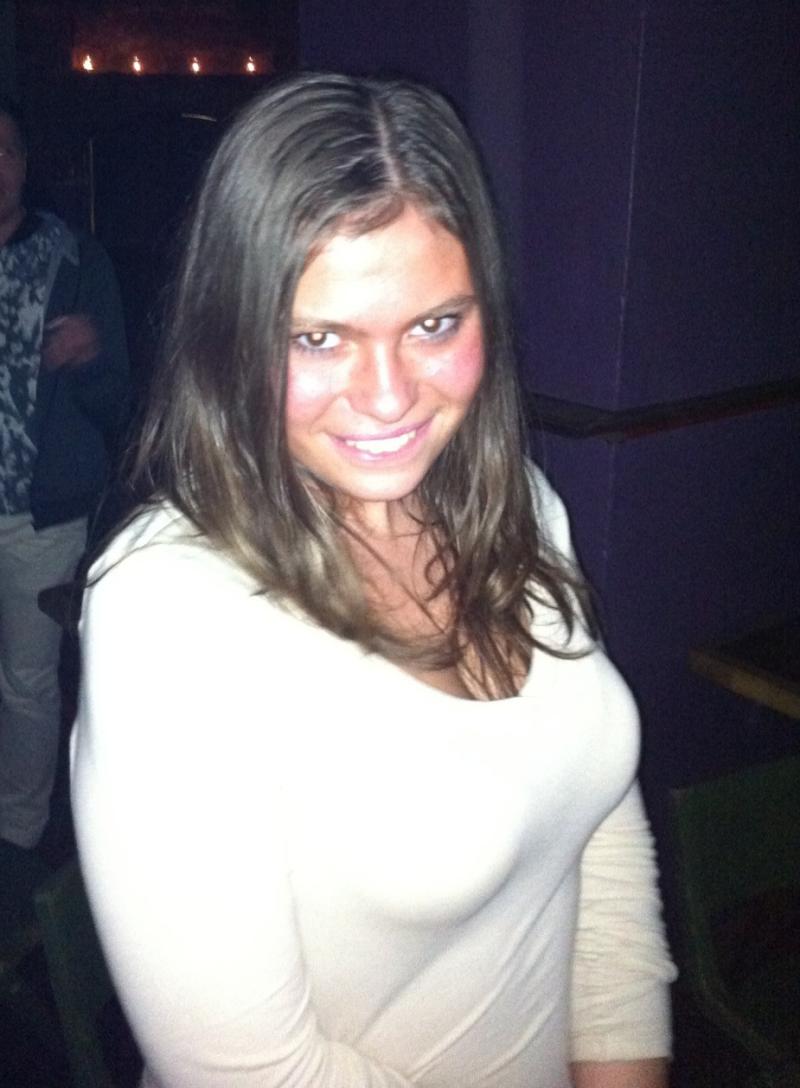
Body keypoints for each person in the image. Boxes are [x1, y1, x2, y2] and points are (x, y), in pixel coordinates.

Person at [71, 73, 676, 1088]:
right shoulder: (168, 612)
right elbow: (250, 1074)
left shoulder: (516, 506)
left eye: (434, 325)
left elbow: (594, 827)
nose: (390, 397)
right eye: (318, 338)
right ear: (230, 337)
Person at [0, 94, 129, 863]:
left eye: (6, 150)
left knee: (27, 679)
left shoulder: (77, 263)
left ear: (25, 165)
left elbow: (118, 401)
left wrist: (91, 356)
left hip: (39, 516)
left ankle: (17, 836)